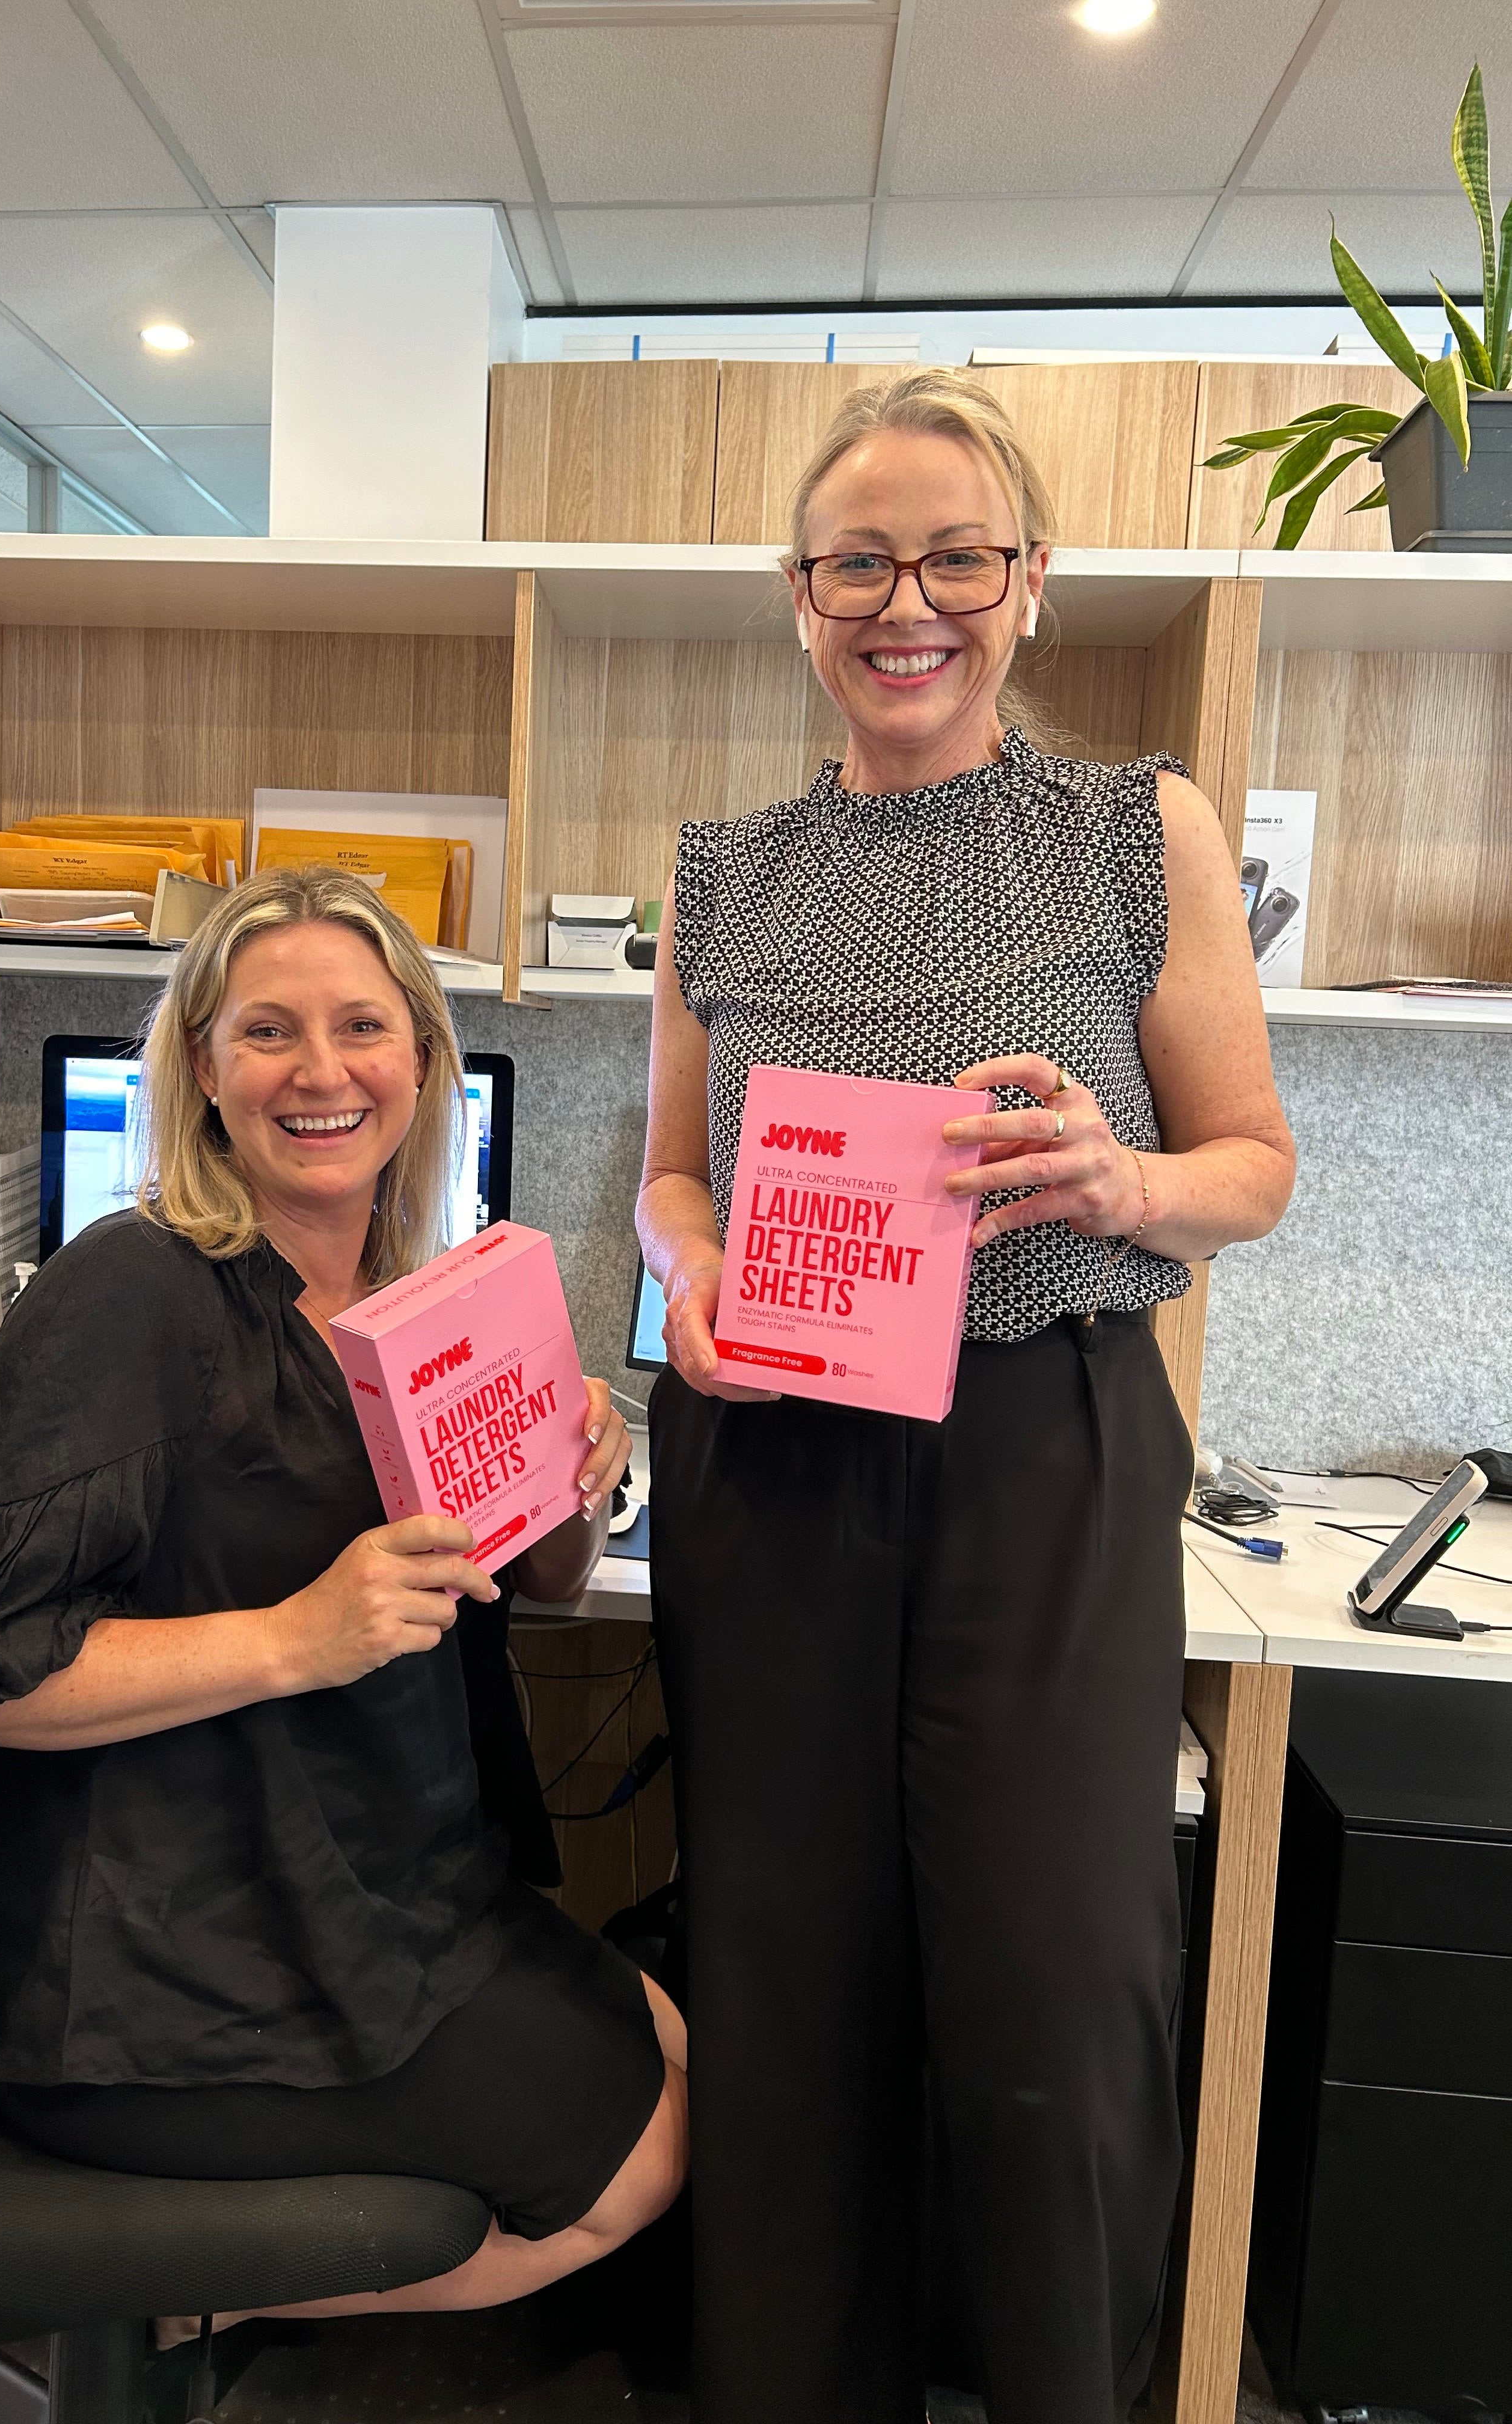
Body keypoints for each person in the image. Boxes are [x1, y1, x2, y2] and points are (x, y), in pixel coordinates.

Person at [637, 369, 1295, 2424]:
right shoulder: (720, 871)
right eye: (858, 558)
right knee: (788, 1980)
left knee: (1047, 1991)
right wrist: (688, 1270)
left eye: (952, 555)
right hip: (780, 1461)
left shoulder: (1132, 830)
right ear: (798, 592)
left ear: (1027, 585)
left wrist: (1118, 1180)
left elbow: (1251, 1164)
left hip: (1043, 1454)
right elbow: (667, 1172)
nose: (902, 597)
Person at [0, 864, 687, 2326]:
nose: (321, 1072)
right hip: (160, 1965)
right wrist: (297, 1637)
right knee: (645, 2166)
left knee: (674, 2036)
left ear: (421, 1060)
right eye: (268, 1032)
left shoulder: (415, 1297)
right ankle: (186, 2302)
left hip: (355, 1887)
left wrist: (575, 1479)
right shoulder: (139, 1290)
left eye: (363, 1027)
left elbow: (520, 1586)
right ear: (204, 1071)